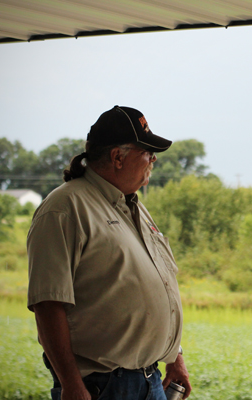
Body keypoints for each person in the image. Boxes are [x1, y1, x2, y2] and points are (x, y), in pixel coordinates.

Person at [27, 106, 192, 400]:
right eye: (147, 152)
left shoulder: (134, 205)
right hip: (103, 387)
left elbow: (157, 285)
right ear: (118, 157)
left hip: (149, 380)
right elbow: (48, 305)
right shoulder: (65, 208)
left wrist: (174, 358)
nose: (153, 160)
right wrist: (71, 385)